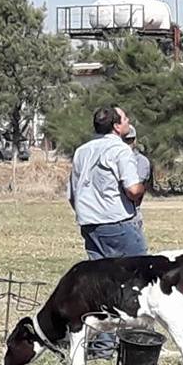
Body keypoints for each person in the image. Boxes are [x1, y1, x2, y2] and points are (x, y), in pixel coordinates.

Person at [68, 105, 145, 260]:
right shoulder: (121, 150)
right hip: (117, 222)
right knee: (137, 270)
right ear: (116, 126)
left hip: (89, 225)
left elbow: (73, 193)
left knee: (101, 273)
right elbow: (133, 190)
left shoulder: (82, 151)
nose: (128, 121)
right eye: (125, 119)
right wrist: (142, 187)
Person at [124, 125, 151, 230]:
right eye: (125, 140)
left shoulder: (141, 161)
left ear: (135, 141)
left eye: (130, 140)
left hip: (132, 215)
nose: (127, 144)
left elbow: (134, 191)